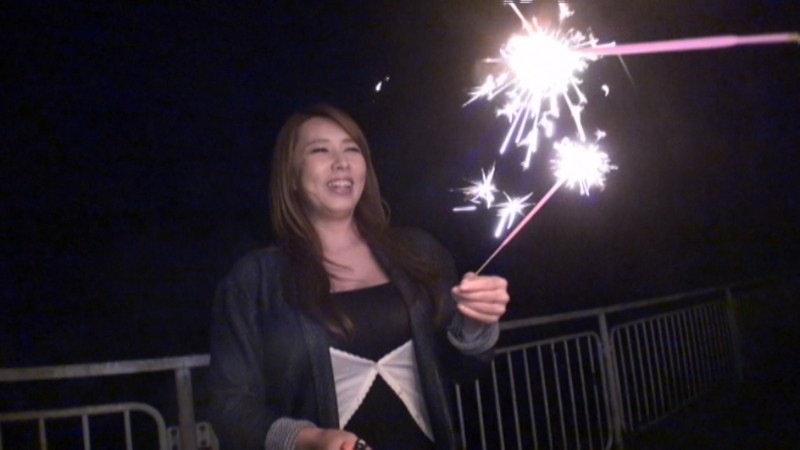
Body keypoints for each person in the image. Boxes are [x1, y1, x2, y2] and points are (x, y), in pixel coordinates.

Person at [208, 104, 511, 450]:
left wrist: (474, 325)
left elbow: (462, 370)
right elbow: (229, 407)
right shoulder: (254, 280)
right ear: (290, 176)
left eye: (352, 149)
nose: (341, 162)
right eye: (320, 150)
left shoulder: (420, 254)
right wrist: (307, 439)